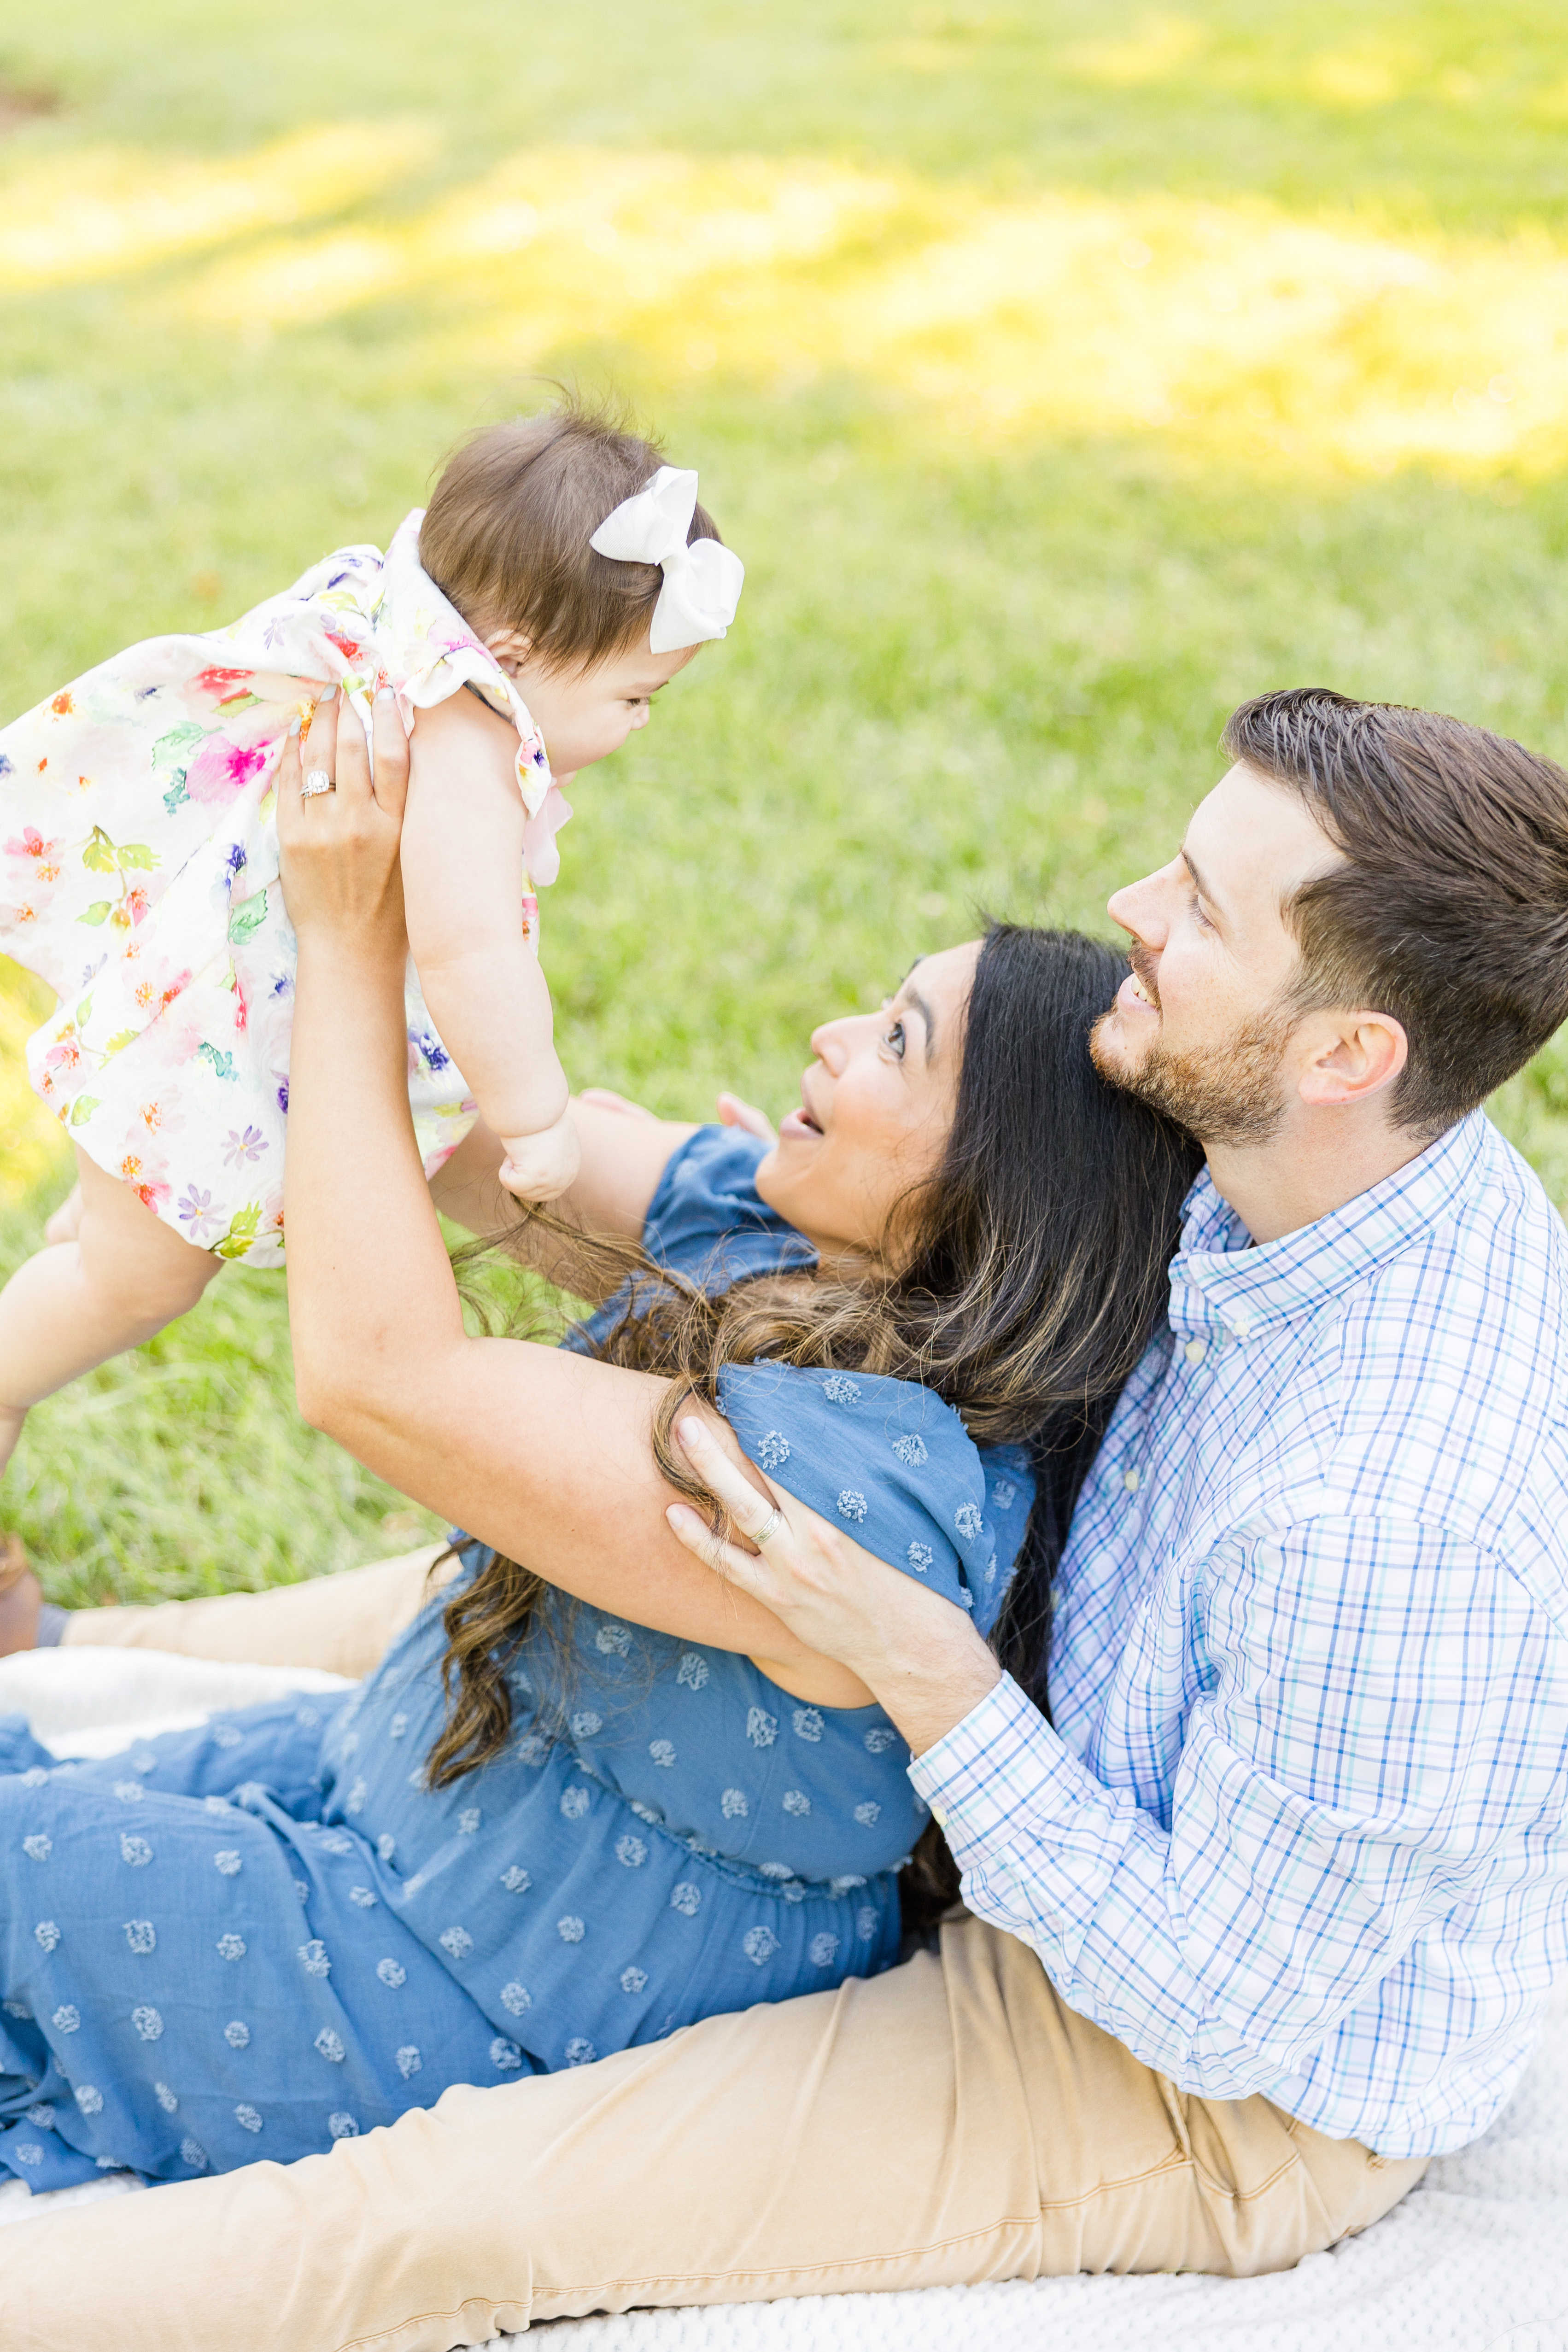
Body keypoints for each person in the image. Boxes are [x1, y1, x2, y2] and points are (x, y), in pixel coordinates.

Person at [5, 685, 1566, 2352]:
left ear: (1349, 1052)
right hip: (970, 1792)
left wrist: (935, 1679)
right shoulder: (1275, 1145)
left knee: (456, 2205)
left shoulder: (1394, 1507)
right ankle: (71, 1646)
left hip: (1205, 2077)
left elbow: (1225, 1999)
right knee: (589, 1548)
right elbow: (582, 1169)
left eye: (1196, 906)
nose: (1132, 911)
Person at [0, 702, 1196, 2190]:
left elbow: (379, 1375)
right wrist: (420, 845)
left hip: (463, 2000)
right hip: (404, 1796)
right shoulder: (790, 1242)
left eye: (898, 1041)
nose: (833, 1033)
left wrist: (355, 947)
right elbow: (462, 1142)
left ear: (994, 1193)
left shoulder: (866, 1497)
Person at [0, 395, 743, 1482]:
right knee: (141, 1279)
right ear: (514, 653)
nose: (641, 721)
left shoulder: (403, 618)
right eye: (638, 695)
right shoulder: (463, 747)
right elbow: (467, 949)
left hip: (208, 1009)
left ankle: (81, 1243)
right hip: (214, 1049)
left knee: (117, 1231)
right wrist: (535, 1117)